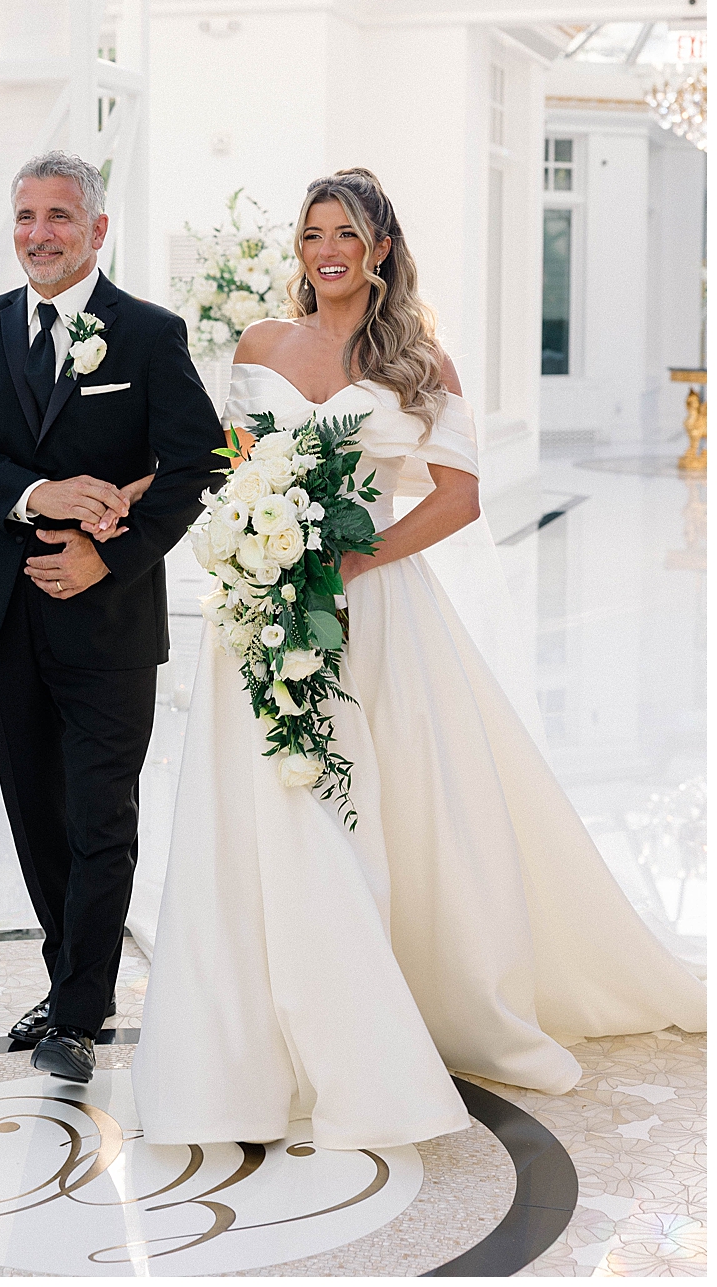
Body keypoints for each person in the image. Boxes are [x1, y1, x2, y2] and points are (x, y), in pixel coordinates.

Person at [131, 168, 706, 1151]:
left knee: (350, 802)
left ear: (378, 247)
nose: (325, 249)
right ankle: (243, 1042)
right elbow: (232, 463)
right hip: (261, 609)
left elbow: (458, 493)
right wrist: (241, 538)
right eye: (311, 230)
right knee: (256, 811)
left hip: (369, 609)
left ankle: (360, 1043)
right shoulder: (261, 343)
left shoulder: (416, 361)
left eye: (344, 232)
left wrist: (358, 554)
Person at [0, 150, 223, 1084]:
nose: (38, 234)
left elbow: (197, 464)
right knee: (37, 818)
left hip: (109, 625)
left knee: (103, 817)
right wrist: (39, 494)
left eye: (59, 216)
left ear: (98, 229)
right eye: (24, 216)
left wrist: (111, 553)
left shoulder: (147, 333)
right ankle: (68, 980)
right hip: (4, 618)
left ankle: (81, 1015)